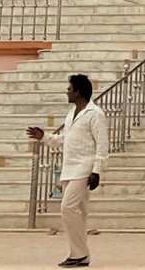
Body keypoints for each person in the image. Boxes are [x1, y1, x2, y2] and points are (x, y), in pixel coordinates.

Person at [27, 73, 105, 269]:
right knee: (79, 211)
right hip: (69, 168)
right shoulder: (71, 114)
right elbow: (65, 139)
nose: (67, 91)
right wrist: (44, 137)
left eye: (69, 88)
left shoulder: (95, 114)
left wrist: (97, 170)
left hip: (84, 168)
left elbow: (102, 145)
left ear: (78, 92)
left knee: (67, 208)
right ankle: (80, 255)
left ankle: (79, 254)